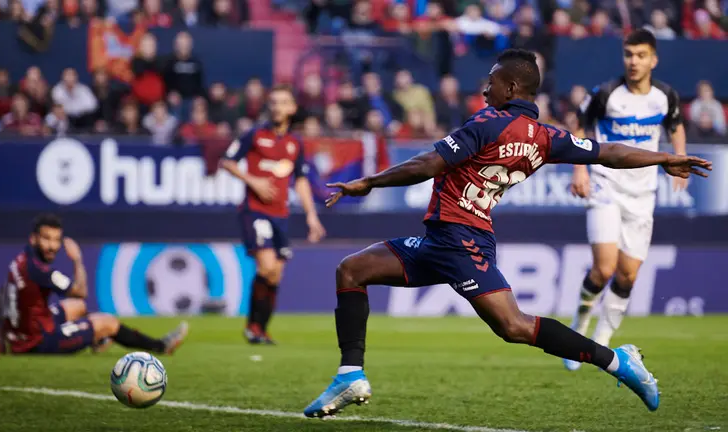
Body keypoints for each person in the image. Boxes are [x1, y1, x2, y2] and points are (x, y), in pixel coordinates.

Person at [303, 49, 711, 418]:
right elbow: (608, 152)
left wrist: (369, 182)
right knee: (352, 270)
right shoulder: (547, 137)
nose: (484, 90)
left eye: (492, 82)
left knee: (514, 327)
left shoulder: (489, 122)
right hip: (439, 240)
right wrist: (664, 157)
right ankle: (350, 374)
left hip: (463, 242)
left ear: (512, 87)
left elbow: (429, 163)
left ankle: (617, 361)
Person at [564, 29, 688, 371]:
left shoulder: (665, 97)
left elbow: (675, 125)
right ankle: (579, 332)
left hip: (643, 193)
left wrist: (679, 157)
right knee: (604, 268)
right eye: (629, 54)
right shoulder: (606, 94)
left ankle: (601, 342)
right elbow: (579, 125)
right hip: (605, 184)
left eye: (641, 55)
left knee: (628, 276)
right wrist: (580, 171)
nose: (633, 61)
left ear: (653, 59)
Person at [0, 214, 188, 356]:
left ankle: (95, 339)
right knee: (108, 322)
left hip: (23, 333)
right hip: (38, 341)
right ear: (33, 238)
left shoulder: (21, 260)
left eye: (57, 240)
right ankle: (161, 346)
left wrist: (1, 338)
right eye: (46, 239)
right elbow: (81, 291)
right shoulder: (41, 271)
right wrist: (77, 260)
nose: (52, 246)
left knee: (77, 307)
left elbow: (3, 294)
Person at [220, 85, 326, 345]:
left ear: (292, 108)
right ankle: (252, 327)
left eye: (283, 102)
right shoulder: (255, 135)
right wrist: (253, 181)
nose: (277, 107)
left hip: (281, 214)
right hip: (255, 211)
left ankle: (262, 329)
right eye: (274, 102)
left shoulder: (294, 143)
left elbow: (300, 181)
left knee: (276, 274)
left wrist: (312, 216)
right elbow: (227, 161)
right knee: (266, 266)